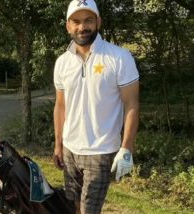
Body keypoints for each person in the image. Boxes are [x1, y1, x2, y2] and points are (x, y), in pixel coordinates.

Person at [52, 0, 139, 213]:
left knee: (89, 210)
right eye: (76, 21)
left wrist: (126, 148)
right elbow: (61, 106)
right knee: (73, 204)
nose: (83, 27)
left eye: (88, 20)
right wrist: (58, 144)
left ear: (98, 22)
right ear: (68, 26)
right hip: (70, 148)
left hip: (101, 149)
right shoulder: (62, 62)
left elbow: (132, 104)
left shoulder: (119, 57)